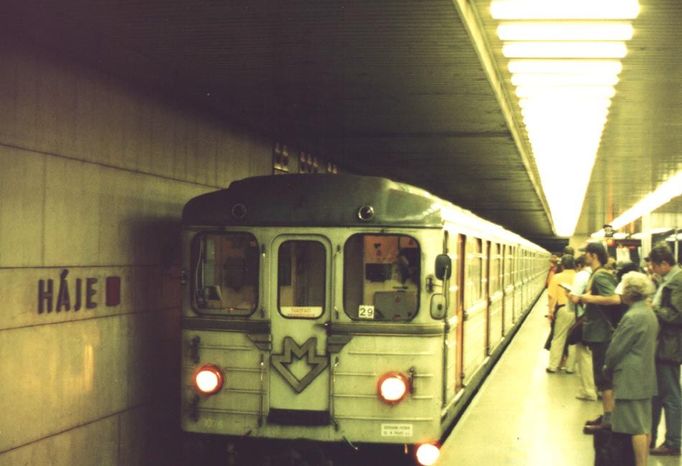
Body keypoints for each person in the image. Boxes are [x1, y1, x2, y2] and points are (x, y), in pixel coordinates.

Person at [603, 271, 658, 466]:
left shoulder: (632, 316)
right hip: (644, 376)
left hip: (630, 380)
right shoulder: (648, 312)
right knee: (644, 426)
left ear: (630, 292)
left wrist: (607, 367)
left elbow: (616, 349)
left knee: (635, 427)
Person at [574, 242, 619, 434]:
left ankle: (609, 420)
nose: (584, 256)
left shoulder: (600, 275)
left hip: (603, 334)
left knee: (603, 378)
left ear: (593, 255)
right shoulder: (598, 274)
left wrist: (587, 298)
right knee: (602, 377)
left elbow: (615, 298)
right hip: (598, 333)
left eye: (586, 253)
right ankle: (607, 416)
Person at [648, 244, 682, 456]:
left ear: (664, 264)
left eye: (653, 265)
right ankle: (654, 437)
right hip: (664, 344)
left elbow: (676, 315)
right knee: (661, 393)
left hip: (670, 346)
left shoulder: (676, 282)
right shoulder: (668, 281)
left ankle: (673, 442)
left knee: (671, 395)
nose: (651, 269)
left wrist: (654, 308)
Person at [569, 255, 598, 401]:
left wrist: (571, 295)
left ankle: (588, 390)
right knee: (595, 355)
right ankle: (597, 388)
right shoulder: (599, 274)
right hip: (597, 322)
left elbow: (575, 298)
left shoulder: (581, 276)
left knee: (584, 356)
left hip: (584, 319)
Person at [546, 255, 577, 373]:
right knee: (574, 339)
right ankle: (570, 368)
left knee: (558, 338)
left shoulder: (557, 277)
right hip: (577, 310)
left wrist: (550, 311)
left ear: (562, 265)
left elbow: (551, 296)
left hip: (563, 309)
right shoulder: (579, 277)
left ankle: (553, 366)